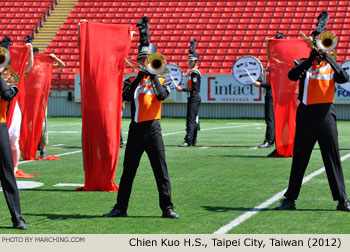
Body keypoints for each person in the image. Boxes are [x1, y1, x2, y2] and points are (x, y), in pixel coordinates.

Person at [103, 17, 179, 218]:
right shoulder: (131, 80)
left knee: (160, 172)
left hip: (153, 130)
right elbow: (125, 96)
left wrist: (153, 74)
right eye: (141, 60)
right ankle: (120, 208)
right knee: (128, 172)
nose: (143, 62)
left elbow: (162, 96)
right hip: (135, 130)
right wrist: (139, 75)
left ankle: (167, 208)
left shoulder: (162, 79)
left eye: (147, 60)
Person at [275, 11, 350, 211]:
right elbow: (292, 76)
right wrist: (311, 59)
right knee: (300, 158)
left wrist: (328, 58)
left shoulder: (332, 66)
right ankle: (290, 199)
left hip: (327, 116)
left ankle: (343, 201)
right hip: (306, 115)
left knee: (332, 158)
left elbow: (344, 78)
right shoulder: (302, 63)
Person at [0, 37, 27, 230]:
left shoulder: (7, 79)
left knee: (7, 174)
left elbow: (8, 94)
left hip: (0, 126)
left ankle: (17, 218)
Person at [8, 36, 33, 174]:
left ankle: (14, 168)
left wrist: (30, 51)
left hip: (12, 108)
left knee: (13, 139)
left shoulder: (13, 74)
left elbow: (29, 67)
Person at [35, 47, 65, 158]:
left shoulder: (44, 66)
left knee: (43, 124)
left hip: (41, 99)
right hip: (29, 98)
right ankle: (31, 147)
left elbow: (62, 65)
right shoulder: (27, 66)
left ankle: (43, 149)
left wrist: (55, 58)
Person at [176, 39, 201, 147]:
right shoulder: (192, 72)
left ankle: (188, 140)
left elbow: (194, 88)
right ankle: (193, 140)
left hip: (193, 97)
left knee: (190, 120)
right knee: (194, 120)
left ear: (195, 62)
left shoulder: (194, 73)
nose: (188, 63)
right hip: (193, 98)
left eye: (190, 61)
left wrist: (182, 89)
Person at [253, 66, 275, 148]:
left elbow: (274, 84)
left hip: (272, 95)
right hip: (273, 94)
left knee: (270, 119)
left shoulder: (276, 68)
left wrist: (261, 84)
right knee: (271, 119)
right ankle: (271, 140)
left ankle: (269, 141)